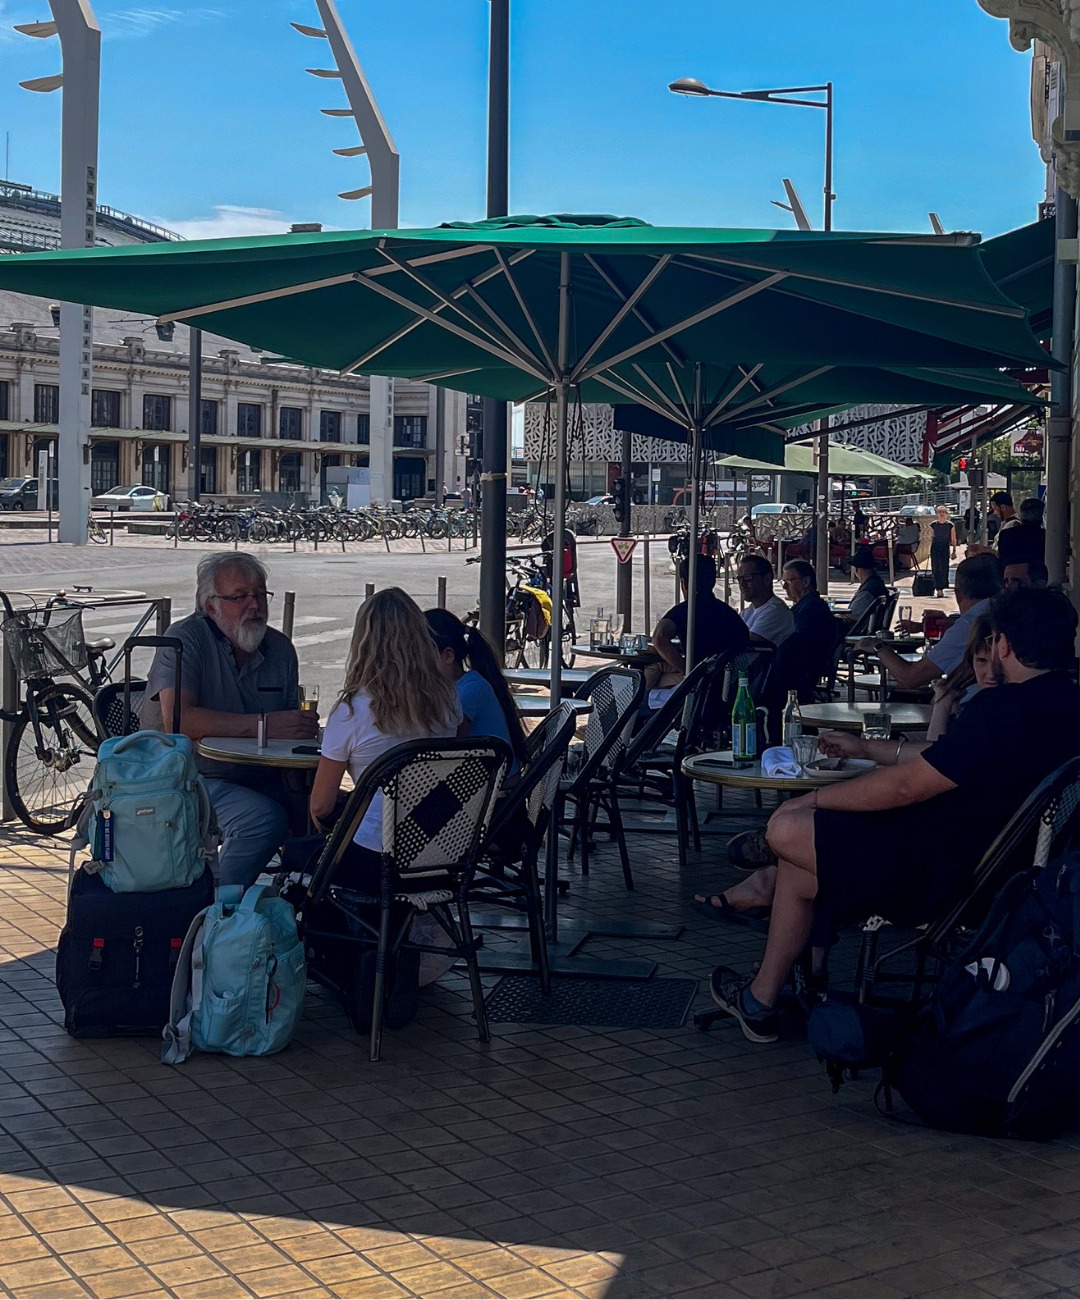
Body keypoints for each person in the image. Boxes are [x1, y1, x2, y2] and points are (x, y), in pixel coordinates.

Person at [708, 585, 1080, 1044]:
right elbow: (948, 758)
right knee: (797, 867)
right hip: (1000, 870)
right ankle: (761, 1000)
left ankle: (769, 876)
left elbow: (910, 786)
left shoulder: (1005, 710)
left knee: (787, 827)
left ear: (1003, 644)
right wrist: (866, 748)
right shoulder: (1063, 703)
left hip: (945, 875)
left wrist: (811, 801)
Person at [309, 589, 463, 1027]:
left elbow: (320, 805)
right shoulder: (448, 701)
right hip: (439, 856)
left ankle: (354, 971)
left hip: (379, 862)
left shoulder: (353, 710)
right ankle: (398, 958)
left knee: (309, 850)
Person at [143, 553, 317, 890]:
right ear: (211, 606)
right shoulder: (183, 640)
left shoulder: (280, 649)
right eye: (239, 597)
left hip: (256, 776)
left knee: (340, 813)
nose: (254, 605)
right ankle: (215, 913)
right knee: (261, 820)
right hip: (184, 777)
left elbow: (289, 733)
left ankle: (306, 917)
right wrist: (264, 724)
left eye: (260, 595)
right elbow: (179, 721)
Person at [865, 552, 1002, 691]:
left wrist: (878, 647)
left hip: (974, 705)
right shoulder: (1007, 611)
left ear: (958, 594)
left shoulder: (968, 625)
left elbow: (910, 678)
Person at [425, 608, 528, 773]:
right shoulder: (466, 684)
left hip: (495, 790)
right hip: (487, 781)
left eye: (421, 654)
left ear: (448, 656)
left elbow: (449, 743)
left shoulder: (471, 689)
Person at [648, 553, 749, 689]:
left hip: (702, 682)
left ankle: (639, 706)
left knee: (648, 673)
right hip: (731, 683)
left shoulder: (686, 610)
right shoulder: (730, 615)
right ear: (713, 582)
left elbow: (659, 637)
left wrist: (687, 671)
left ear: (684, 583)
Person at [770, 560, 838, 704]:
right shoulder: (806, 606)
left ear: (806, 582)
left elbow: (797, 642)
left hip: (797, 672)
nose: (783, 587)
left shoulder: (811, 609)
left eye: (789, 581)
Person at [925, 615, 996, 742]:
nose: (991, 673)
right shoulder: (969, 693)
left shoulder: (992, 710)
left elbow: (937, 754)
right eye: (981, 661)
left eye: (998, 664)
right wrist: (943, 702)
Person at [736, 554, 794, 647]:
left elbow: (745, 644)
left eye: (748, 578)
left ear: (767, 579)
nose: (742, 584)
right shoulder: (749, 611)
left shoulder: (775, 611)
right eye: (739, 579)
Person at [839, 548, 887, 625]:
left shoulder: (867, 592)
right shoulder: (876, 582)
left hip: (854, 629)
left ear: (857, 569)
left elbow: (852, 614)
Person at [997, 496, 1046, 570]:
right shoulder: (1045, 537)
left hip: (1010, 575)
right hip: (1036, 576)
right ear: (1041, 516)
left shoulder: (1006, 535)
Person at [929, 504, 958, 598]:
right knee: (936, 567)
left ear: (946, 514)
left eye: (943, 512)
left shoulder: (950, 525)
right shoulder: (933, 525)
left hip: (945, 546)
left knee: (944, 567)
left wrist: (954, 550)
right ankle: (938, 588)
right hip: (935, 546)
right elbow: (931, 538)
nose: (941, 514)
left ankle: (943, 585)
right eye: (939, 512)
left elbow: (953, 538)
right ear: (937, 514)